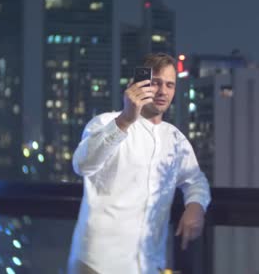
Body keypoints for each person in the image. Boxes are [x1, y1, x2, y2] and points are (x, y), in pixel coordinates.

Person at [67, 53, 211, 274]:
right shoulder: (106, 122)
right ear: (137, 85)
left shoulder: (175, 139)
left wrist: (196, 205)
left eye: (170, 85)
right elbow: (83, 165)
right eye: (155, 83)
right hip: (98, 263)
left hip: (148, 264)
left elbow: (196, 180)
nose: (163, 91)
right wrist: (125, 120)